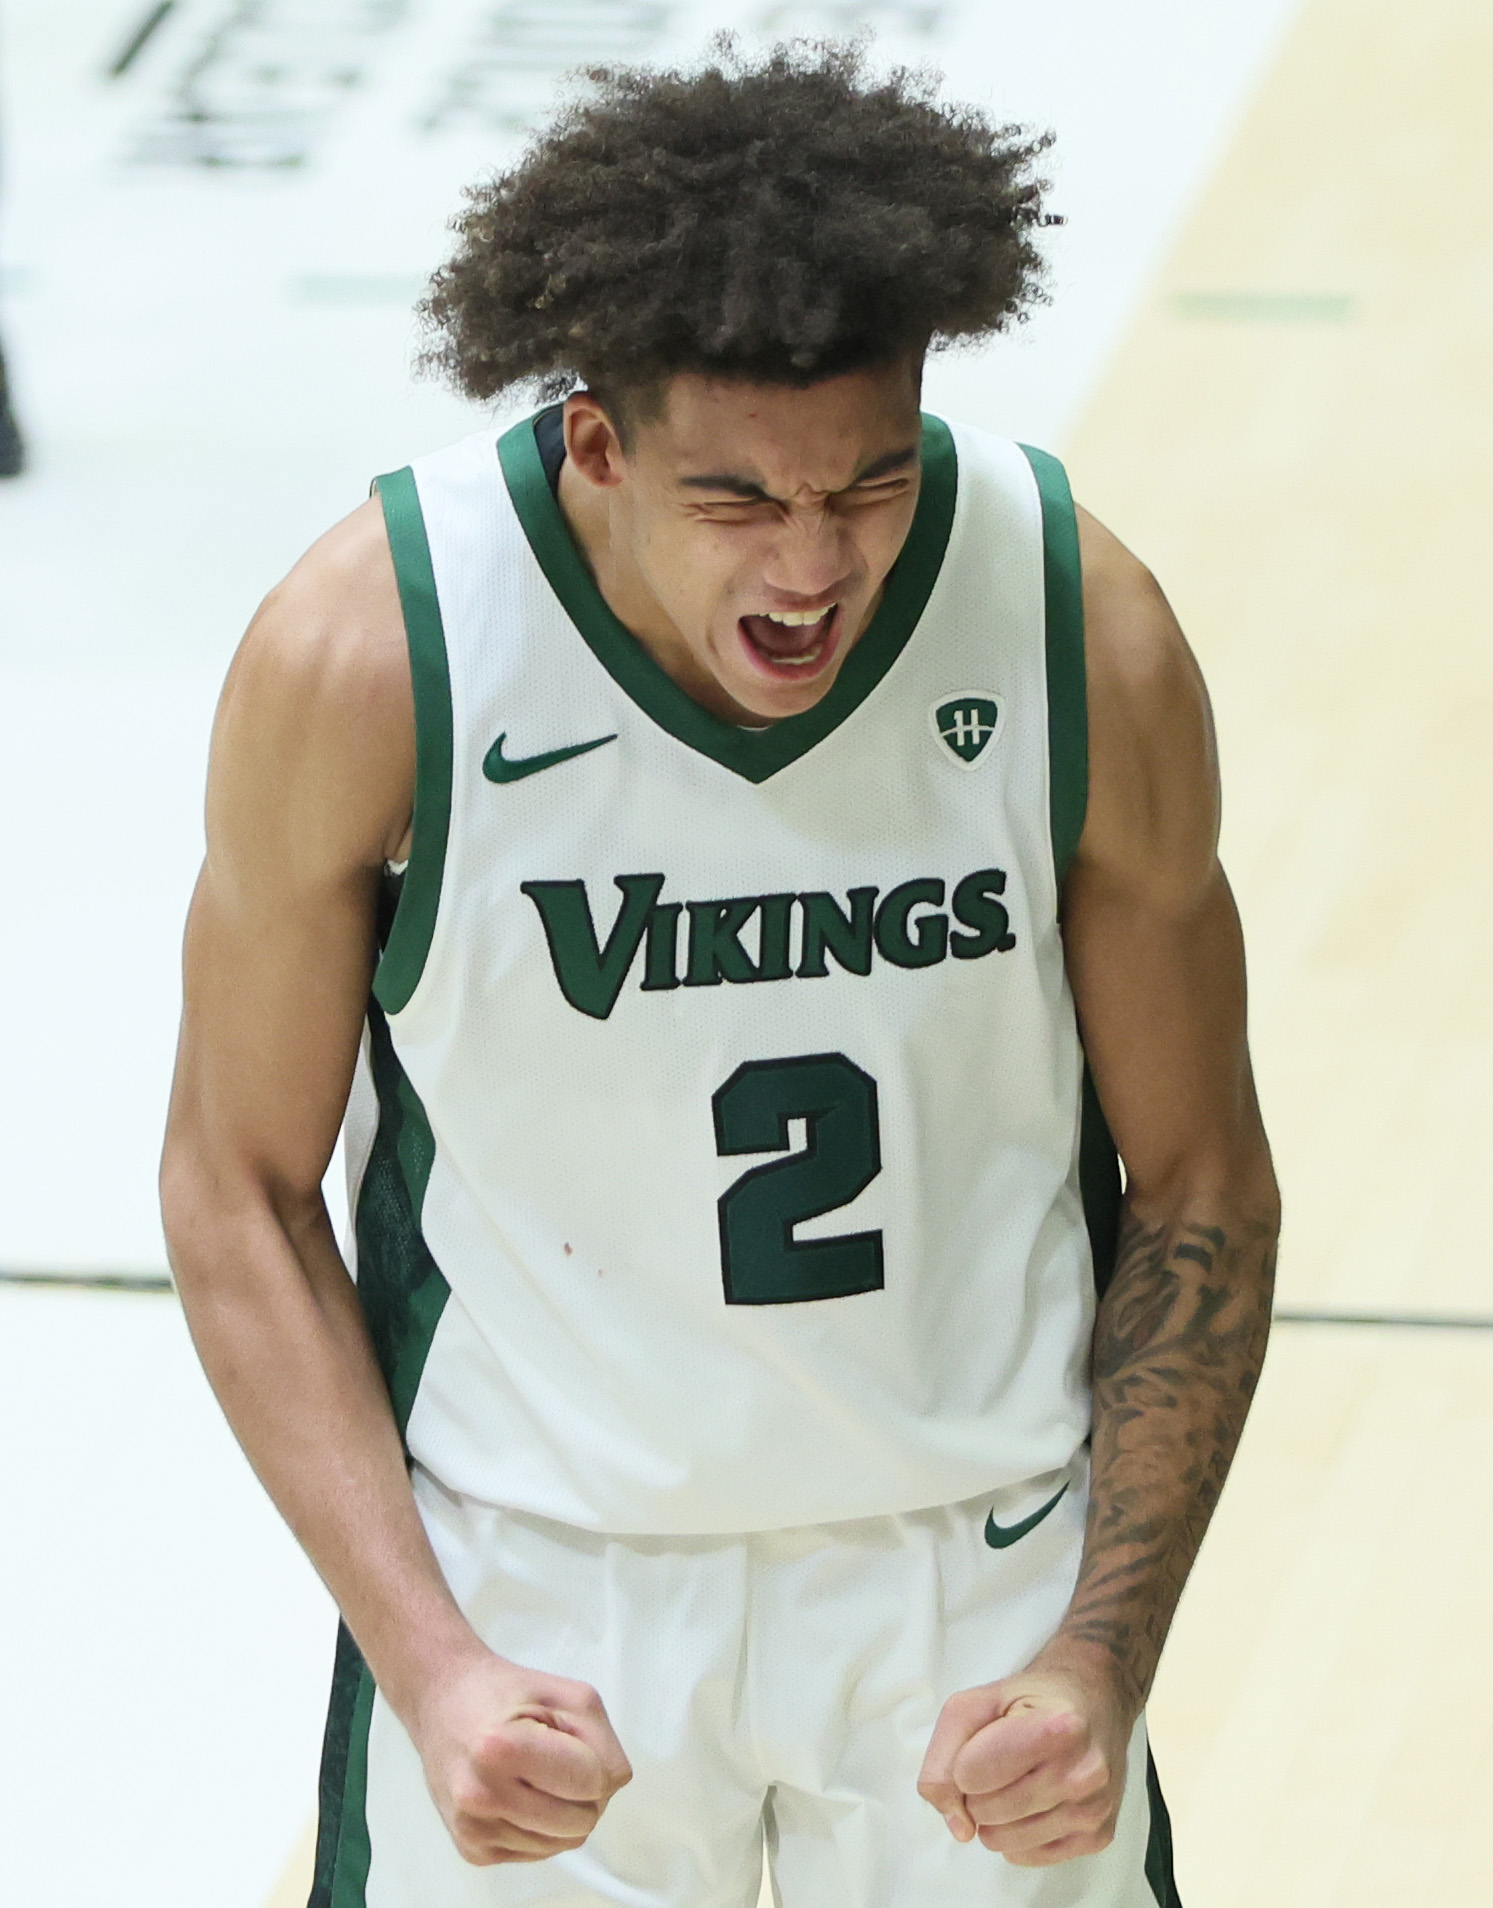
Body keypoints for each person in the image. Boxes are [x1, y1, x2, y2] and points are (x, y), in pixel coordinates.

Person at [161, 41, 1278, 1908]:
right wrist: (425, 1660)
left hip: (973, 1579)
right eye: (741, 501)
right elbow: (238, 1189)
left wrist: (1103, 1649)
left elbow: (1201, 1189)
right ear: (597, 444)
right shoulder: (373, 655)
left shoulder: (1081, 624)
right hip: (538, 1583)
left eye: (868, 483)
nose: (817, 566)